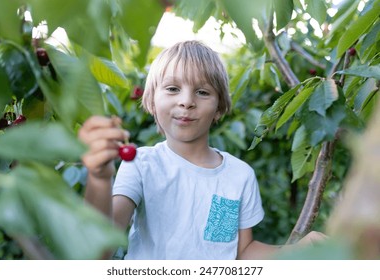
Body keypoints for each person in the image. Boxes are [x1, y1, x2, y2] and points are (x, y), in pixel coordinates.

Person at [78, 40, 325, 260]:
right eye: (173, 88)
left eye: (203, 92)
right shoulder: (141, 164)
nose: (186, 101)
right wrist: (99, 179)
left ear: (219, 107)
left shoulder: (239, 175)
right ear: (152, 101)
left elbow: (242, 253)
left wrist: (295, 251)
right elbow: (100, 249)